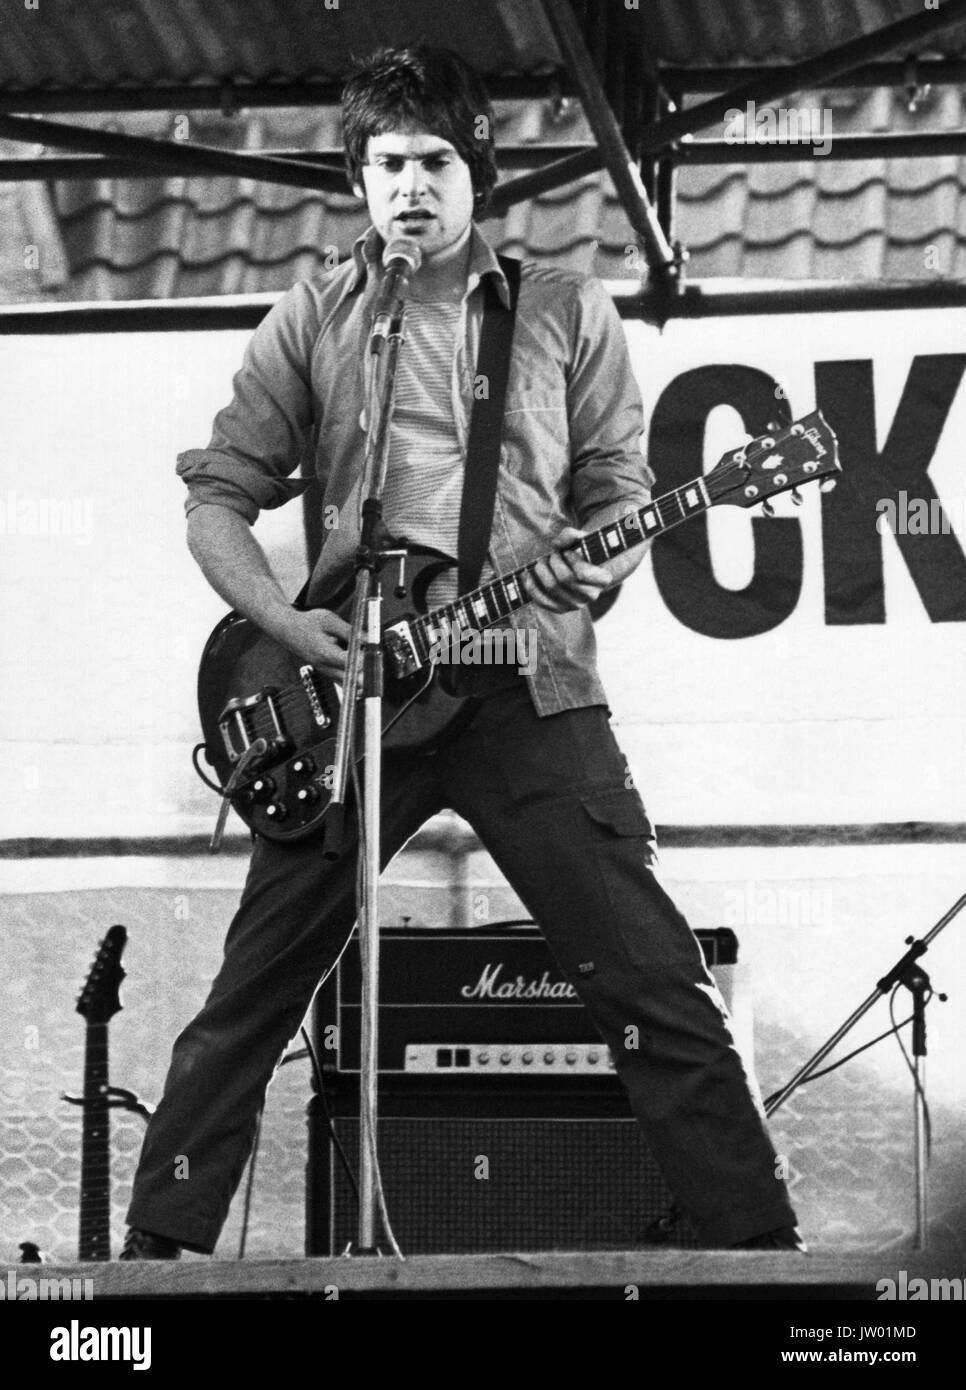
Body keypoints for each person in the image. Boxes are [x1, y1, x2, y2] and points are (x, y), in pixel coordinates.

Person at [121, 45, 802, 1259]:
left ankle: (763, 1251)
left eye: (435, 160)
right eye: (388, 164)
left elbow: (617, 490)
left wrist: (607, 554)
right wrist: (287, 628)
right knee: (251, 994)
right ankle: (151, 1259)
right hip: (350, 701)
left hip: (525, 686)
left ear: (475, 171)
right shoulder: (315, 317)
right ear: (359, 179)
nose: (411, 186)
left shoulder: (564, 309)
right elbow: (216, 502)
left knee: (653, 982)